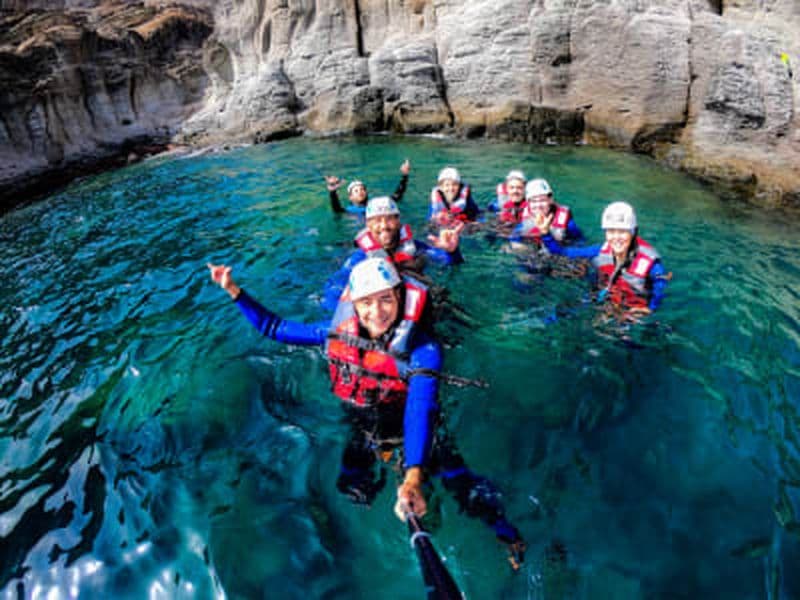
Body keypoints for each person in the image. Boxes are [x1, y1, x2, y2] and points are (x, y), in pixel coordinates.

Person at [207, 257, 526, 569]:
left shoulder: (423, 350)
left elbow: (420, 407)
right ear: (354, 305)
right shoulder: (334, 333)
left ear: (399, 297)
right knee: (351, 486)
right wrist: (234, 289)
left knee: (459, 481)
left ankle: (505, 533)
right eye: (366, 303)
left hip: (412, 424)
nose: (377, 312)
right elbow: (275, 327)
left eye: (386, 299)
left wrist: (414, 472)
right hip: (363, 422)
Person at [324, 196, 464, 311]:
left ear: (398, 221)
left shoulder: (414, 247)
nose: (384, 225)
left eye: (389, 218)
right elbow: (332, 293)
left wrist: (452, 251)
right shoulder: (360, 259)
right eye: (377, 220)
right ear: (368, 225)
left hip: (427, 301)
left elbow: (448, 262)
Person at [540, 201, 669, 317]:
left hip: (632, 308)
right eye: (611, 231)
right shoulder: (600, 251)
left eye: (622, 231)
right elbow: (562, 252)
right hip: (604, 295)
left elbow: (661, 290)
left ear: (634, 232)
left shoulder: (651, 264)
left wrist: (650, 309)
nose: (616, 238)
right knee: (558, 315)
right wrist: (546, 233)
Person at [510, 178, 584, 245]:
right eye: (534, 201)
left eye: (542, 200)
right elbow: (514, 237)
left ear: (550, 200)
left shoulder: (568, 224)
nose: (538, 205)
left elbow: (580, 242)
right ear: (528, 203)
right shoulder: (524, 220)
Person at [325, 159, 411, 215]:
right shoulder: (349, 211)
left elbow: (397, 196)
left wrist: (405, 176)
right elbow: (336, 209)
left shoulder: (375, 205)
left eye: (362, 189)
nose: (360, 191)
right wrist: (332, 192)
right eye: (356, 191)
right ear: (350, 197)